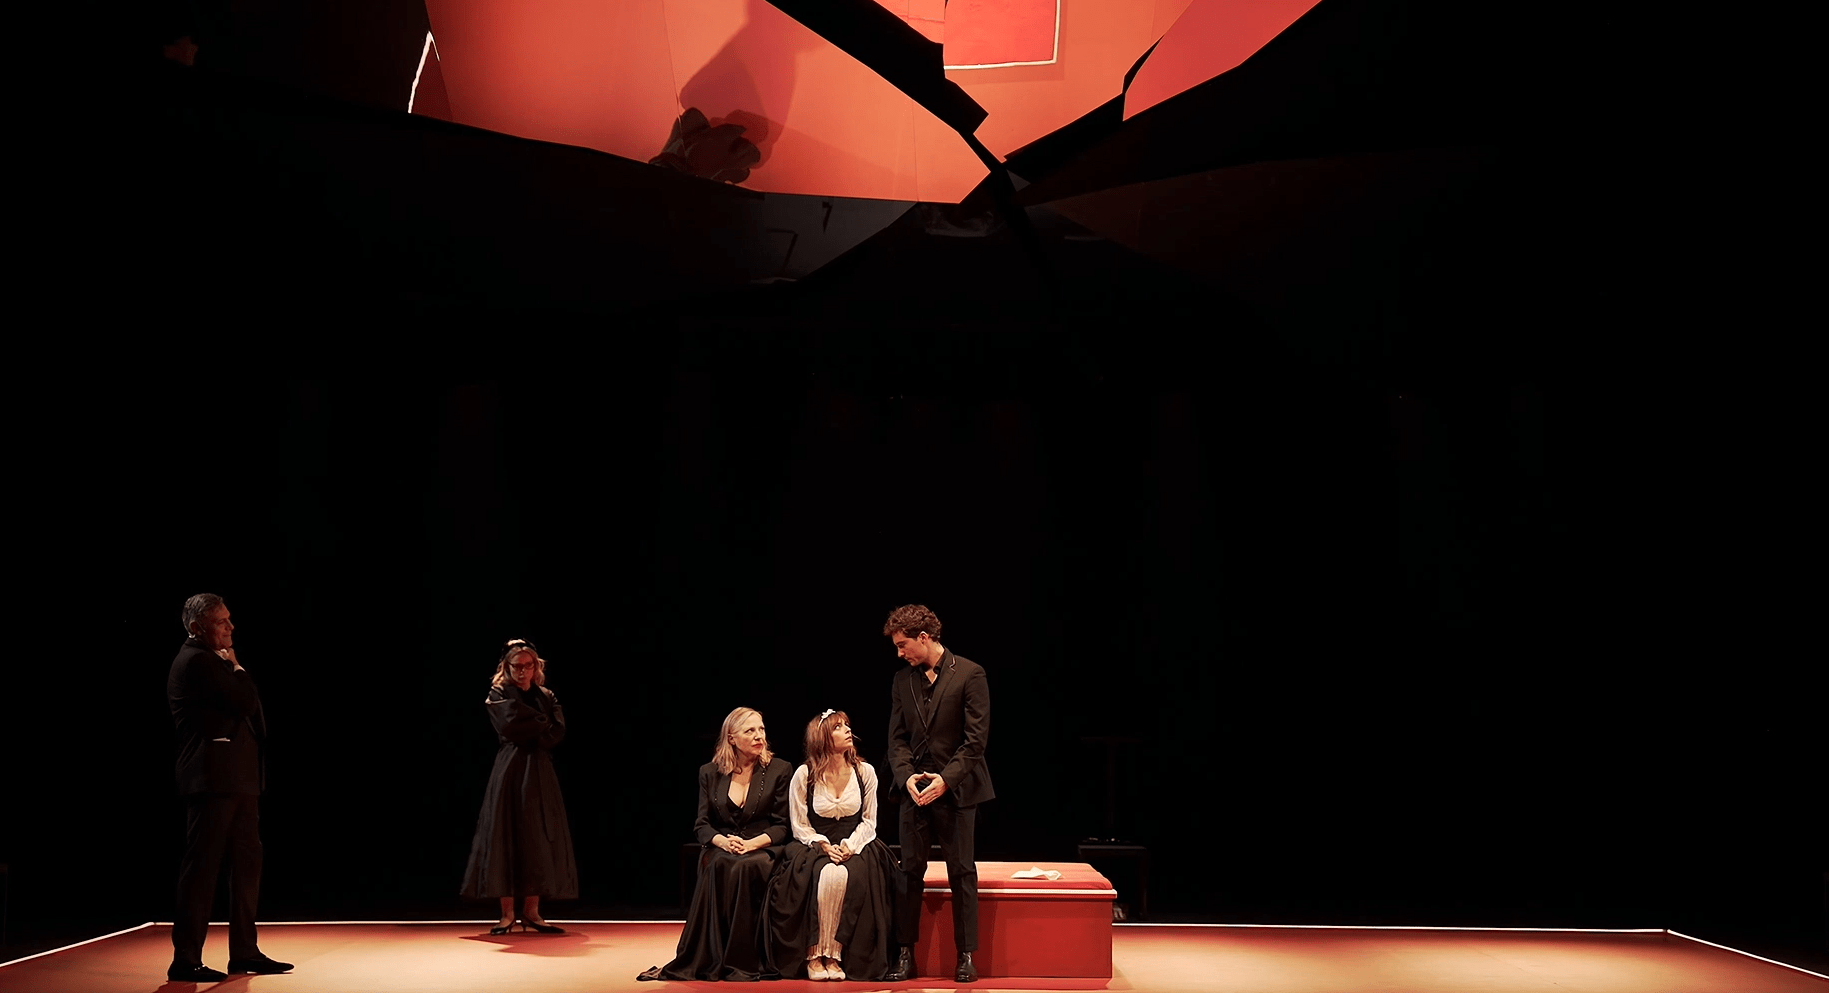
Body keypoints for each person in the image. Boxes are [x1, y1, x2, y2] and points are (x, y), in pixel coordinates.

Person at [166, 594, 292, 982]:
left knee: (246, 866)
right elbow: (245, 702)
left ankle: (245, 951)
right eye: (221, 621)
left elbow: (254, 714)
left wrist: (235, 669)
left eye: (229, 619)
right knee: (202, 869)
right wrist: (237, 668)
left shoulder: (214, 660)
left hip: (238, 779)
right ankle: (186, 959)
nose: (230, 627)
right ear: (196, 628)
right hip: (213, 779)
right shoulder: (198, 661)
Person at [882, 604, 992, 983]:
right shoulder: (902, 680)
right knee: (909, 871)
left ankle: (966, 955)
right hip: (915, 790)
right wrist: (906, 777)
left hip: (956, 789)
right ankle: (904, 954)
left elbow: (975, 741)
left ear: (924, 637)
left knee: (962, 871)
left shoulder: (970, 674)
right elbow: (896, 739)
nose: (900, 653)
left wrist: (945, 780)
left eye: (903, 645)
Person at [640, 707, 792, 981]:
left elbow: (782, 825)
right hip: (723, 846)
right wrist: (722, 842)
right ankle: (712, 956)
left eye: (761, 729)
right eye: (750, 731)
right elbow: (702, 825)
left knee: (745, 867)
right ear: (731, 738)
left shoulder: (779, 769)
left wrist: (751, 844)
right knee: (720, 863)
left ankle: (741, 959)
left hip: (763, 846)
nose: (759, 736)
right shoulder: (709, 772)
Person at [766, 710, 897, 980]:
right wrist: (823, 844)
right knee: (826, 873)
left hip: (857, 843)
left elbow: (869, 821)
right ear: (823, 737)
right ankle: (815, 955)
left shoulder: (864, 772)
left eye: (847, 725)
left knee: (844, 876)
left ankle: (834, 955)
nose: (848, 730)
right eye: (838, 727)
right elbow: (799, 824)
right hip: (815, 845)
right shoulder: (805, 775)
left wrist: (850, 845)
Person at [460, 639, 579, 933]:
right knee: (506, 832)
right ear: (507, 667)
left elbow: (557, 730)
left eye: (528, 666)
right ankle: (507, 914)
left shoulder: (546, 695)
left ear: (536, 667)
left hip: (539, 768)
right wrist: (540, 722)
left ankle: (532, 912)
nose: (523, 671)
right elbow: (510, 724)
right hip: (511, 768)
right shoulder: (499, 693)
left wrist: (535, 723)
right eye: (517, 666)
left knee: (537, 835)